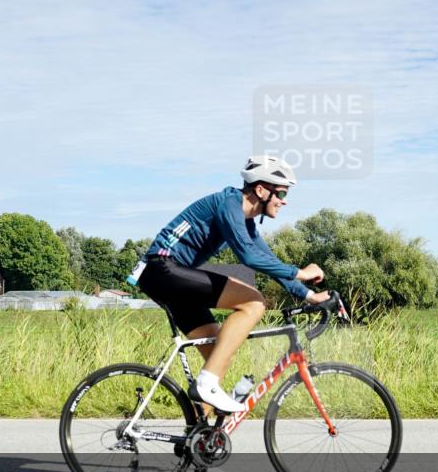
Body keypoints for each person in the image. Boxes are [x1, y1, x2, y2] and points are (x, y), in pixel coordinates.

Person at [134, 155, 330, 413]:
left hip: (170, 278)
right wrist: (301, 272)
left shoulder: (245, 221)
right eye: (281, 192)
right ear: (261, 190)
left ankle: (198, 438)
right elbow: (248, 257)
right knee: (254, 302)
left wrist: (308, 295)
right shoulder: (229, 204)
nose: (284, 200)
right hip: (161, 269)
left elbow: (266, 259)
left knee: (219, 353)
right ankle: (206, 386)